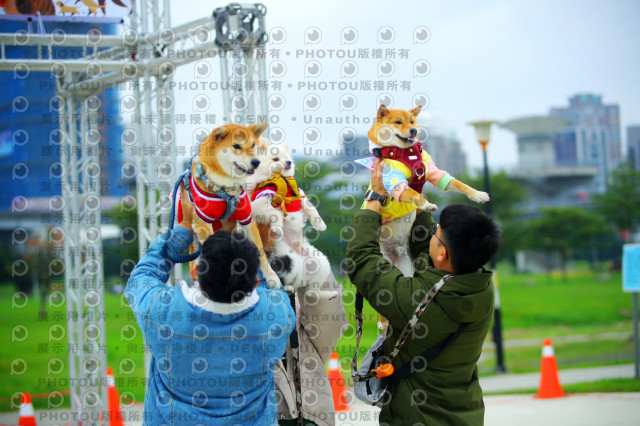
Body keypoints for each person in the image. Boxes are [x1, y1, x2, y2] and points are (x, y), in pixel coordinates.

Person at [346, 160, 501, 425]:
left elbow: (361, 260)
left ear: (443, 253)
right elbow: (427, 259)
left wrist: (375, 197)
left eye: (436, 234)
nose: (431, 235)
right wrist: (414, 193)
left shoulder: (418, 302)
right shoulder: (480, 288)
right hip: (465, 415)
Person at [125, 186, 295, 425]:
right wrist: (254, 233)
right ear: (255, 281)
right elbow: (271, 286)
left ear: (195, 271)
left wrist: (182, 232)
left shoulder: (162, 312)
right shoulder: (276, 316)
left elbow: (142, 277)